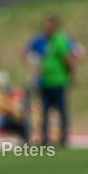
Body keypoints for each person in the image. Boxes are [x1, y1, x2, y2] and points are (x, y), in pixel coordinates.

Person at [26, 14, 82, 146]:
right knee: (44, 110)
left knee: (61, 110)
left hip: (58, 81)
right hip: (45, 81)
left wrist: (71, 75)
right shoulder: (44, 41)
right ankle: (45, 137)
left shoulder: (60, 40)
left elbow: (68, 58)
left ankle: (63, 137)